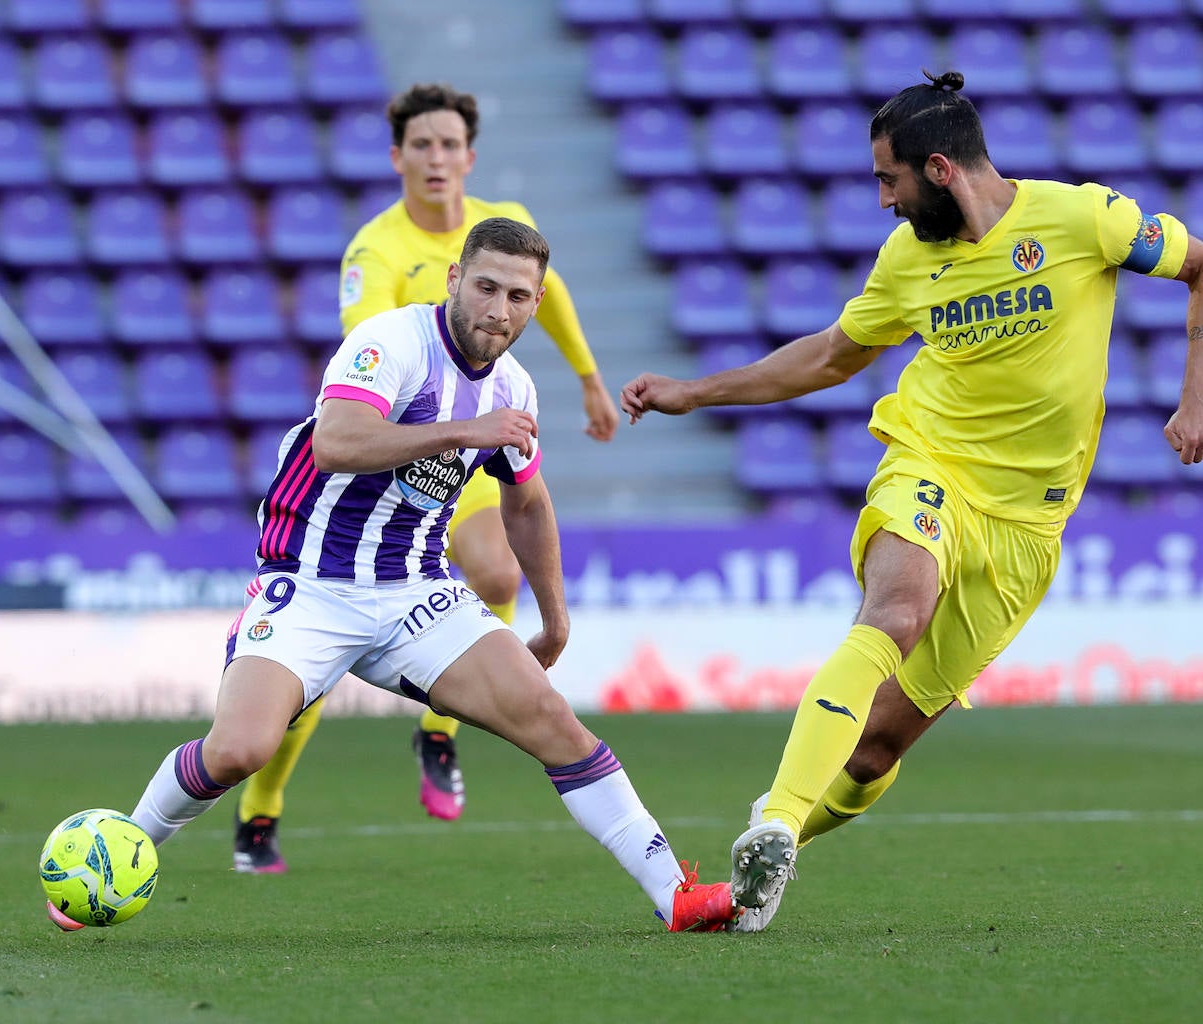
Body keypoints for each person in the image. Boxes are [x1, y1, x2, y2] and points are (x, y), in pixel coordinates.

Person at [620, 71, 1203, 932]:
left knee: (876, 747)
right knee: (896, 610)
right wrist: (697, 392)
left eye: (889, 180)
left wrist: (1198, 397)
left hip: (1028, 525)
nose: (883, 201)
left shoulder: (1085, 219)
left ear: (939, 169)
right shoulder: (908, 259)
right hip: (931, 465)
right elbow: (835, 354)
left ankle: (774, 845)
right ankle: (777, 826)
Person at [47, 219, 736, 934]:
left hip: (415, 593)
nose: (499, 310)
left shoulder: (515, 389)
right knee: (240, 749)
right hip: (310, 584)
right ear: (454, 281)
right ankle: (119, 850)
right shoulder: (392, 343)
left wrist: (555, 617)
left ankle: (675, 894)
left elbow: (526, 503)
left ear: (536, 304)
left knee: (553, 719)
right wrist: (460, 432)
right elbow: (336, 441)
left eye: (519, 297)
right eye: (487, 287)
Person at [233, 83, 621, 872]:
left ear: (468, 157)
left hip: (461, 457)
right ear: (398, 158)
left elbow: (555, 296)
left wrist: (585, 376)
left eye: (450, 145)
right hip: (386, 460)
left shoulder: (501, 226)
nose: (437, 158)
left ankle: (438, 732)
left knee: (496, 564)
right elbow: (368, 359)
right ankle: (261, 804)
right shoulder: (374, 253)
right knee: (312, 663)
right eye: (422, 146)